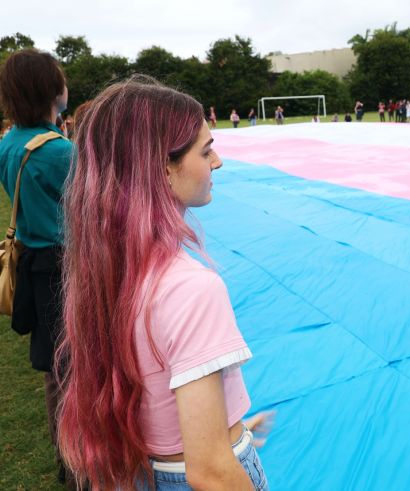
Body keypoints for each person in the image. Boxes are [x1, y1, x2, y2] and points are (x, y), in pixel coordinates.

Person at [56, 76, 269, 490]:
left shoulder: (103, 273)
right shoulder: (192, 288)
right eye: (205, 151)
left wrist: (230, 425)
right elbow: (209, 471)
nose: (217, 162)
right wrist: (227, 449)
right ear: (162, 169)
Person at [0, 48, 75, 488]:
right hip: (65, 265)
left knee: (55, 369)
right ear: (51, 89)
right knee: (76, 367)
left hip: (32, 261)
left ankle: (67, 455)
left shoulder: (9, 142)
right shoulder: (59, 152)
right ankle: (82, 458)